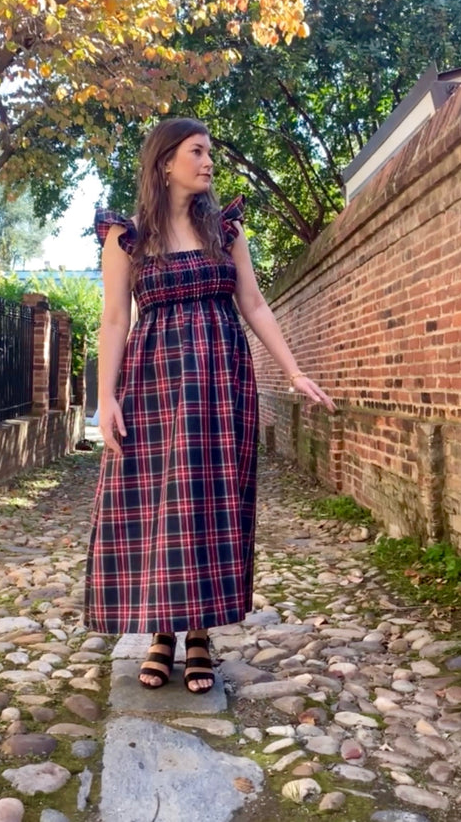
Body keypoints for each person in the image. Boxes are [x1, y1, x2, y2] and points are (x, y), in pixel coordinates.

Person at [84, 117, 335, 693]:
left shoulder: (227, 230)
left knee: (208, 499)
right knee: (156, 501)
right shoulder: (127, 239)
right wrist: (106, 398)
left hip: (222, 381)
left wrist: (294, 370)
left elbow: (254, 303)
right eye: (197, 151)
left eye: (210, 153)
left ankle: (198, 634)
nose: (209, 162)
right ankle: (161, 633)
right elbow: (115, 320)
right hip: (154, 384)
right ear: (165, 161)